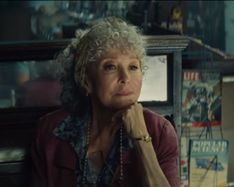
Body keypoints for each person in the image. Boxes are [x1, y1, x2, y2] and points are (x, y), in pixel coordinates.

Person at [31, 17, 179, 187]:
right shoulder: (50, 132)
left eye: (133, 67)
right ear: (86, 80)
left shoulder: (160, 132)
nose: (125, 78)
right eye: (111, 67)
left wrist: (141, 139)